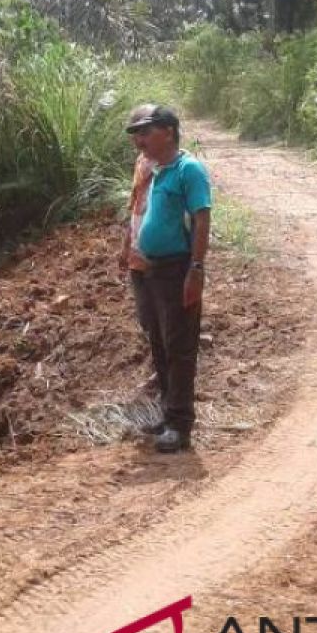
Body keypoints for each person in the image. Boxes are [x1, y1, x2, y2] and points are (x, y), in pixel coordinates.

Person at [119, 105, 212, 453]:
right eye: (136, 134)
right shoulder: (157, 169)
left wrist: (196, 269)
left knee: (179, 347)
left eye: (145, 132)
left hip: (177, 269)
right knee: (159, 343)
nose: (139, 140)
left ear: (168, 132)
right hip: (152, 269)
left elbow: (202, 220)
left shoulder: (189, 170)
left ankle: (180, 424)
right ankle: (168, 414)